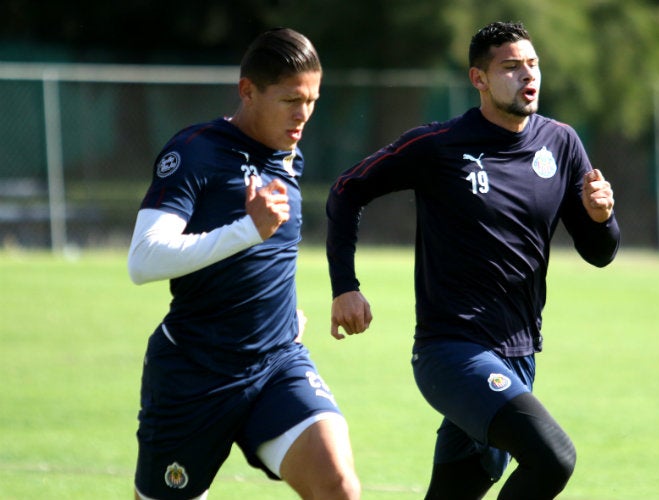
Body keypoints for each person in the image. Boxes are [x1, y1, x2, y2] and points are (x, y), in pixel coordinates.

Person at [326, 21, 620, 499]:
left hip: (520, 353)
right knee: (552, 458)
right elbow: (346, 189)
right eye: (510, 68)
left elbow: (600, 252)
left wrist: (601, 216)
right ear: (478, 79)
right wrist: (345, 285)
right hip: (452, 353)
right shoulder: (439, 145)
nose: (528, 76)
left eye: (532, 64)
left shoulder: (561, 143)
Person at [127, 28, 360, 500]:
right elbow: (144, 259)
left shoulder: (288, 155)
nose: (303, 115)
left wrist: (282, 311)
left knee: (339, 487)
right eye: (291, 99)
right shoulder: (194, 151)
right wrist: (245, 231)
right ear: (247, 90)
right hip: (195, 373)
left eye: (312, 100)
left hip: (276, 363)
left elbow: (273, 255)